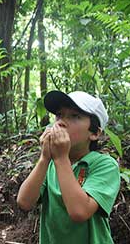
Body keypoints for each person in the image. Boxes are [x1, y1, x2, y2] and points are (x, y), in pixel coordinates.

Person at [17, 90, 120, 244]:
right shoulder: (51, 164)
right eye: (59, 115)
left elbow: (79, 212)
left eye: (75, 116)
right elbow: (24, 202)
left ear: (95, 133)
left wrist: (60, 158)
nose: (61, 122)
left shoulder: (105, 165)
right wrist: (44, 159)